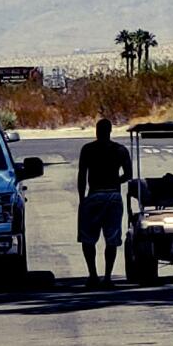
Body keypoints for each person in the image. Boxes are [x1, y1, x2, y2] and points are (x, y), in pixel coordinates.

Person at [76, 117, 132, 286]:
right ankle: (107, 276)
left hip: (94, 195)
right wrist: (116, 181)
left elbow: (82, 176)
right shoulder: (120, 150)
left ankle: (93, 275)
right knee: (112, 237)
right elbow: (128, 174)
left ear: (96, 131)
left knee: (88, 237)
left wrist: (82, 198)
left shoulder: (88, 149)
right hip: (113, 195)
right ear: (110, 131)